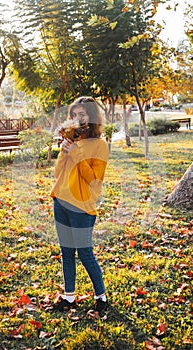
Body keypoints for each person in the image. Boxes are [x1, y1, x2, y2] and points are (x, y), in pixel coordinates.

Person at [51, 96, 109, 315]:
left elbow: (94, 179)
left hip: (82, 208)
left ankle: (101, 297)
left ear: (92, 116)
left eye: (82, 114)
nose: (77, 119)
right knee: (66, 253)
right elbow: (59, 173)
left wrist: (75, 152)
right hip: (61, 202)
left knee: (85, 254)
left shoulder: (100, 145)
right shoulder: (72, 141)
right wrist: (65, 152)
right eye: (74, 115)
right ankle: (69, 298)